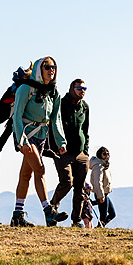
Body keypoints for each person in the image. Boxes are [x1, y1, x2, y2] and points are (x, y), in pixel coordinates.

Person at [10, 56, 68, 227]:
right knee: (40, 170)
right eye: (47, 66)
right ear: (39, 69)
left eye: (54, 67)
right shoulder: (25, 89)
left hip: (41, 136)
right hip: (26, 135)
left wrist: (60, 142)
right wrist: (22, 140)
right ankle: (48, 211)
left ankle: (17, 215)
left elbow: (56, 118)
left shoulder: (54, 92)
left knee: (26, 175)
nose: (51, 70)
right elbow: (17, 117)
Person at [48, 78, 90, 228]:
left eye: (85, 88)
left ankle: (76, 220)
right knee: (67, 182)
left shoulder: (84, 107)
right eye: (79, 88)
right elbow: (52, 125)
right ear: (72, 88)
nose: (82, 91)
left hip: (80, 154)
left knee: (79, 187)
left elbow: (85, 130)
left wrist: (85, 152)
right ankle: (51, 209)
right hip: (62, 152)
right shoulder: (60, 104)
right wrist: (55, 147)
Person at [0, 66, 30, 160]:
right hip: (14, 114)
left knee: (9, 130)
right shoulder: (17, 88)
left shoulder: (17, 87)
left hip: (16, 114)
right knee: (9, 130)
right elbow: (5, 101)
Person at [89, 146, 116, 227]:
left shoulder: (104, 166)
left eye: (108, 154)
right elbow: (97, 181)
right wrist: (100, 196)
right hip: (101, 194)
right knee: (103, 215)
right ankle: (99, 228)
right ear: (99, 155)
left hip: (105, 193)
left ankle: (100, 227)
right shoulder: (98, 166)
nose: (106, 155)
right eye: (104, 154)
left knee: (112, 214)